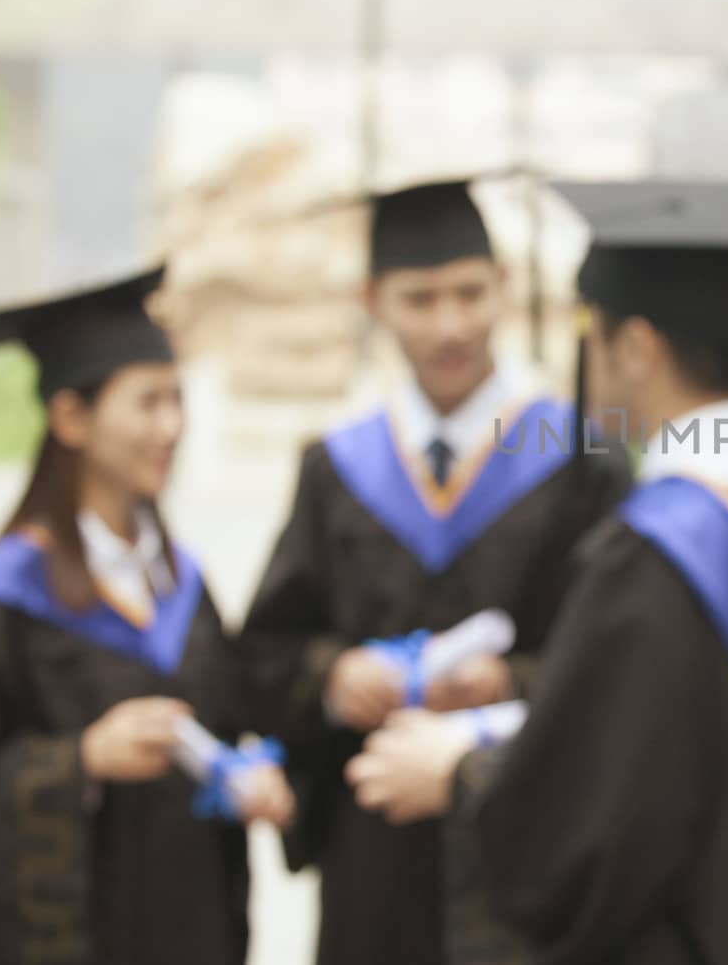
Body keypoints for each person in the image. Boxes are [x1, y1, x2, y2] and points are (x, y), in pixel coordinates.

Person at [345, 180, 728, 964]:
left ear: (633, 346)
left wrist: (460, 774)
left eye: (589, 338)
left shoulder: (651, 557)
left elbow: (589, 817)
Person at [236, 178, 631, 965]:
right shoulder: (337, 468)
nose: (451, 324)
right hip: (375, 859)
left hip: (524, 838)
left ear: (505, 288)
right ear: (373, 299)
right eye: (420, 299)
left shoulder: (583, 460)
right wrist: (333, 676)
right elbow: (264, 651)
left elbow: (625, 667)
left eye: (470, 293)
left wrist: (508, 682)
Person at [0, 269, 294, 965]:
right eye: (148, 403)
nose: (172, 427)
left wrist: (244, 773)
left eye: (177, 400)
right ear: (71, 418)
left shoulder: (180, 582)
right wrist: (80, 761)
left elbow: (227, 720)